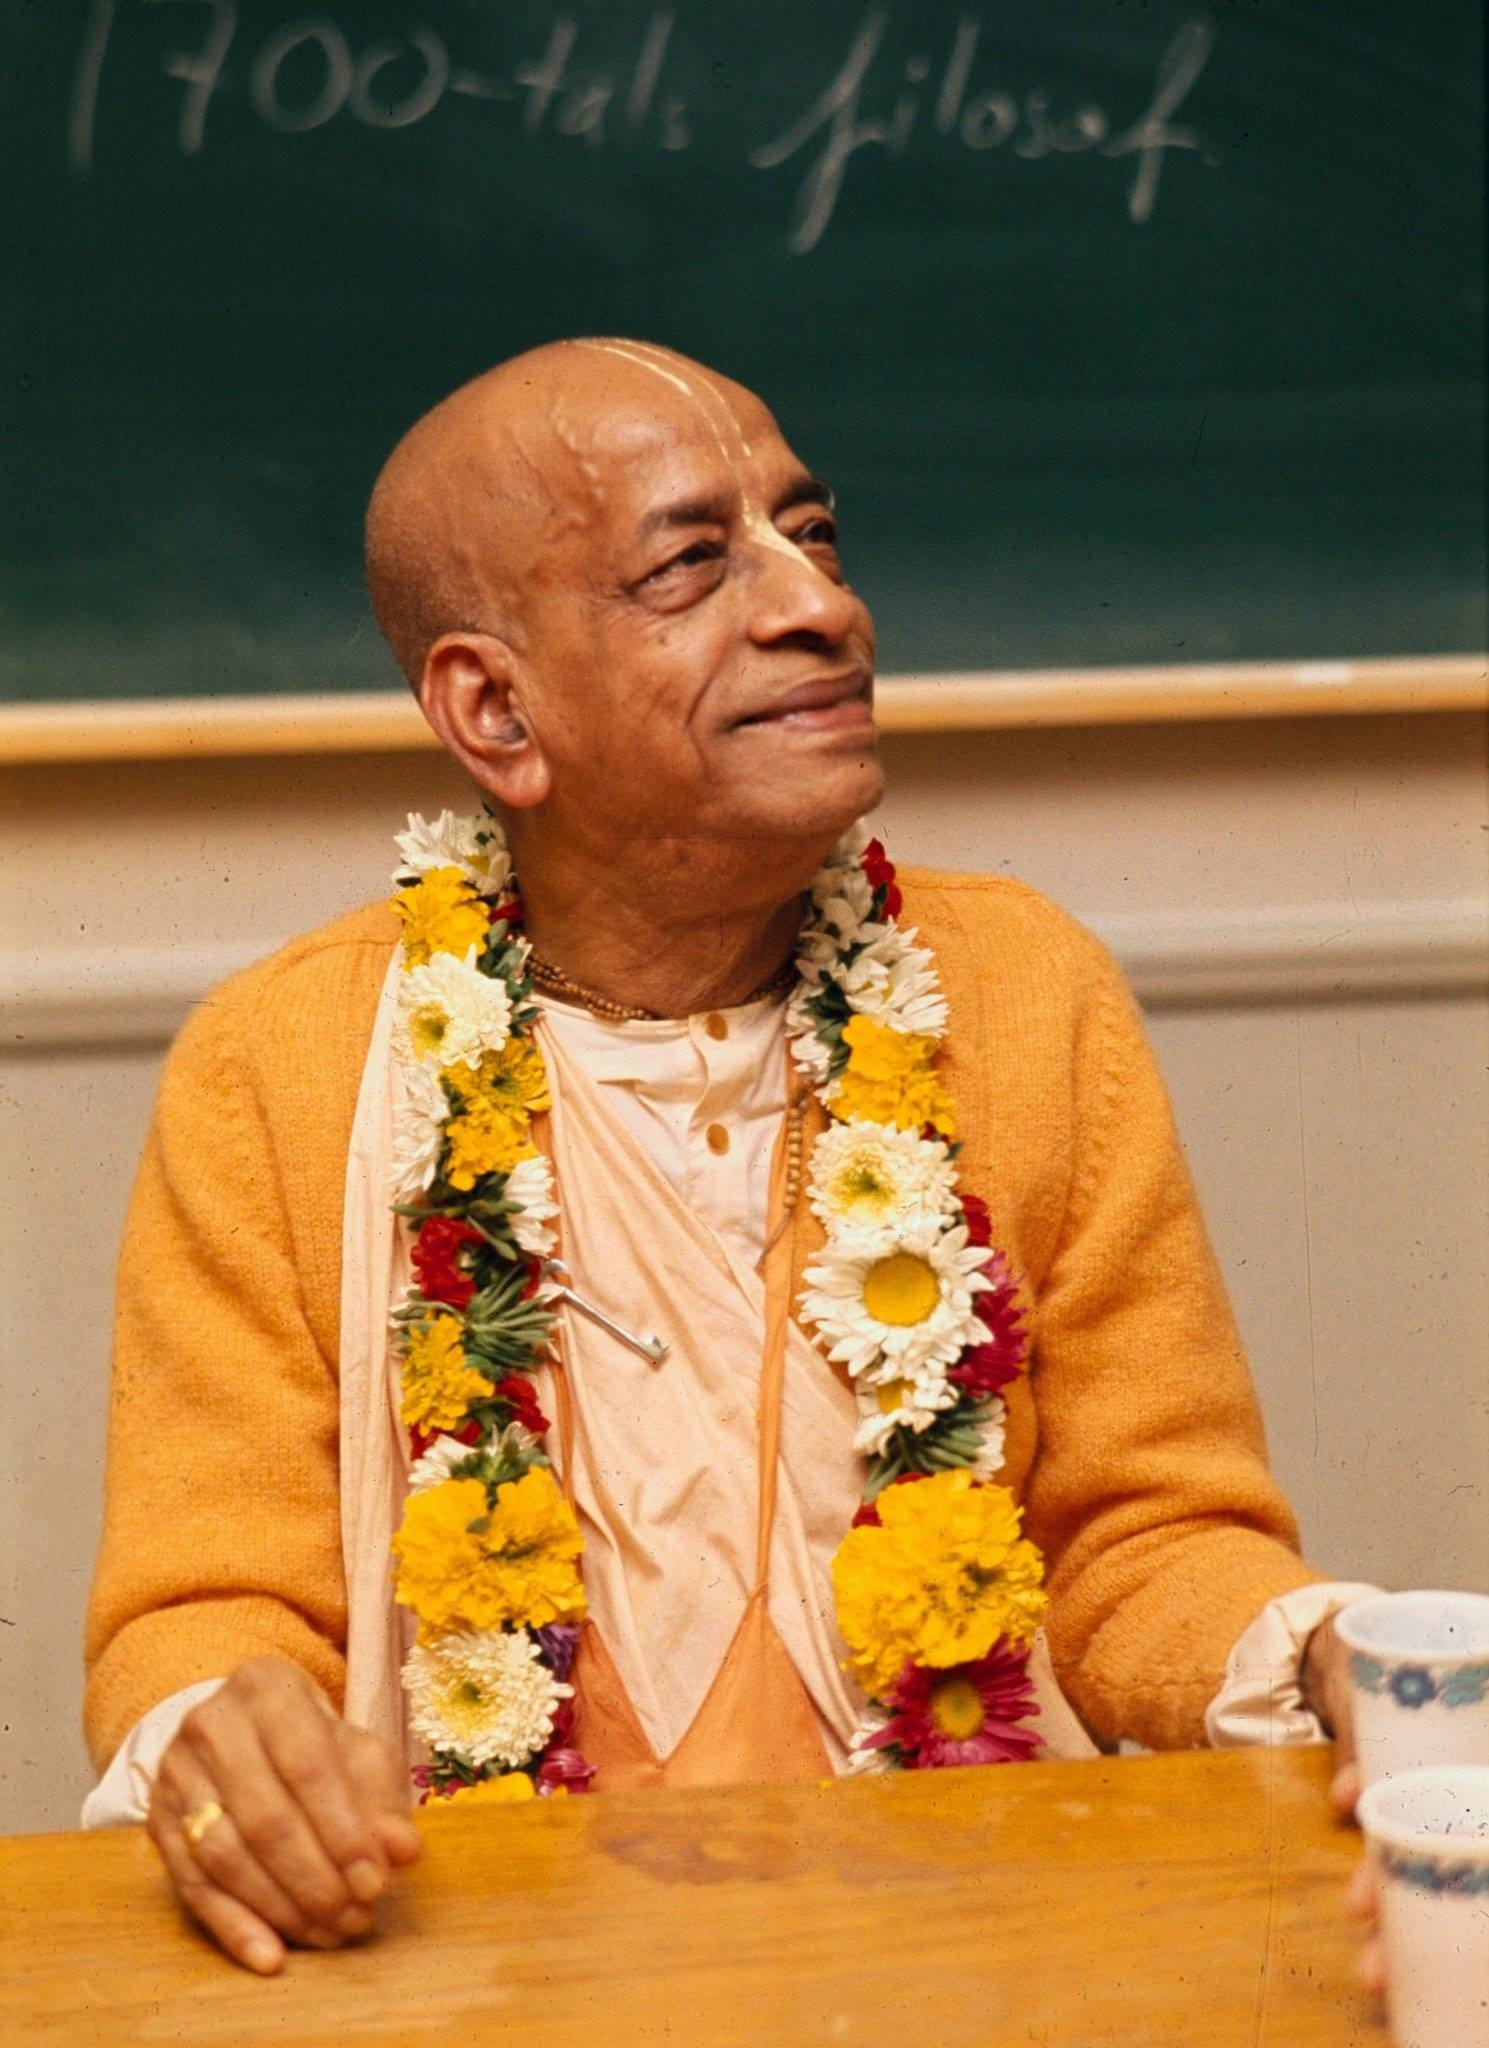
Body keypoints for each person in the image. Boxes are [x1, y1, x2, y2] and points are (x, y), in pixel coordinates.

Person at [82, 338, 1374, 1975]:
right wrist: (223, 1732)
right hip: (481, 1973)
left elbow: (1140, 1544)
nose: (820, 606)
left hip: (971, 1948)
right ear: (495, 710)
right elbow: (204, 1611)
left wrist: (1329, 1650)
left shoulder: (1021, 992)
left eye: (813, 536)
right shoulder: (275, 1066)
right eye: (691, 565)